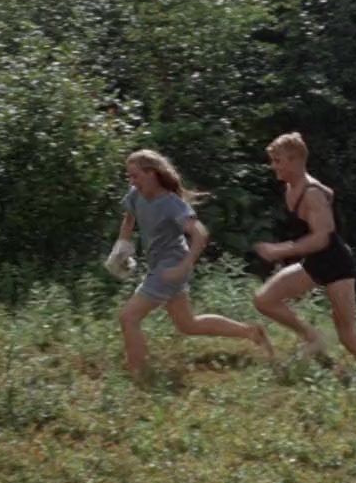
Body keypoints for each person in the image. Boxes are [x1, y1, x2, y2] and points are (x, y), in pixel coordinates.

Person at [108, 149, 273, 382]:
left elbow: (200, 234)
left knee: (128, 317)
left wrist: (183, 266)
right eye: (129, 177)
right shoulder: (136, 194)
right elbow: (129, 219)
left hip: (171, 267)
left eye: (135, 176)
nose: (132, 181)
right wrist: (122, 248)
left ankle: (141, 374)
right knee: (187, 324)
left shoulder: (171, 204)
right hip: (161, 267)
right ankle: (251, 331)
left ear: (152, 173)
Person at [251, 132, 356, 362]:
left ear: (295, 160)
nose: (273, 166)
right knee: (264, 300)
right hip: (314, 263)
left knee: (349, 338)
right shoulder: (291, 188)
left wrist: (279, 250)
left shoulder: (312, 194)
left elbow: (321, 239)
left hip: (337, 266)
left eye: (278, 161)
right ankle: (312, 337)